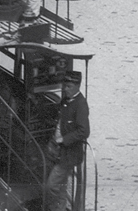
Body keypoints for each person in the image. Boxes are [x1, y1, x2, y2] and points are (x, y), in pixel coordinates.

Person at [43, 71, 90, 211]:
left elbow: (84, 131)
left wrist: (64, 139)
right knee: (61, 188)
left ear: (77, 86)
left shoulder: (80, 104)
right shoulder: (65, 101)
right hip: (56, 151)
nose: (66, 89)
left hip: (68, 155)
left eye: (69, 86)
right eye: (65, 86)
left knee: (51, 187)